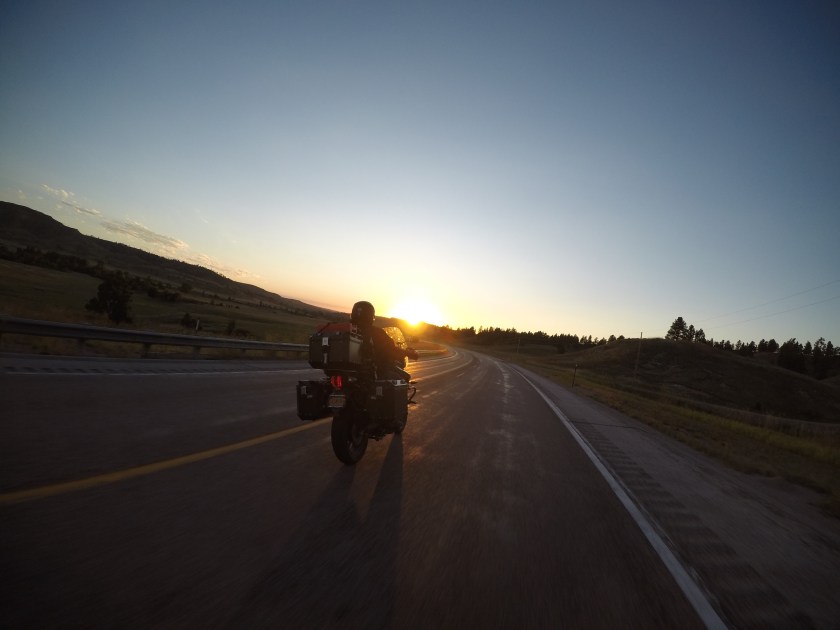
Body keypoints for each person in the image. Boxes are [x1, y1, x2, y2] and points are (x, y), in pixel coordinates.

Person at [350, 300, 418, 379]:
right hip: (372, 373)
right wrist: (407, 353)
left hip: (346, 371)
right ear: (370, 316)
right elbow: (391, 349)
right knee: (403, 378)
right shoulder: (376, 332)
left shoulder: (345, 329)